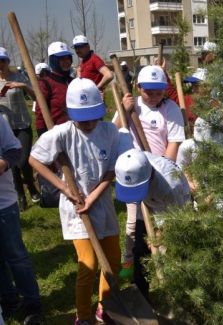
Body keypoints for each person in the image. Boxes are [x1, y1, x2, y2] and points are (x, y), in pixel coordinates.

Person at [29, 78, 122, 324]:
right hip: (77, 208)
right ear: (72, 113)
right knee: (89, 263)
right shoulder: (61, 133)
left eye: (94, 116)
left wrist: (93, 196)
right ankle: (82, 314)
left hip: (101, 202)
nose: (90, 123)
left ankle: (106, 306)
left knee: (113, 260)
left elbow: (112, 170)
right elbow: (35, 160)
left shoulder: (109, 131)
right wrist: (64, 189)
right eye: (84, 118)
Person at [113, 65, 185, 280]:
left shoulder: (170, 108)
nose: (153, 96)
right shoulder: (130, 105)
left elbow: (174, 142)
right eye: (148, 92)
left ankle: (166, 265)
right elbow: (112, 132)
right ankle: (132, 259)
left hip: (159, 173)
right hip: (134, 173)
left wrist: (163, 171)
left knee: (163, 222)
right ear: (138, 87)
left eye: (158, 92)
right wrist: (123, 112)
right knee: (134, 222)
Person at [115, 148, 191, 299]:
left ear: (149, 177)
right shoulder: (131, 166)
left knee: (176, 253)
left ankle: (183, 294)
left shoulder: (171, 185)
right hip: (146, 202)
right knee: (139, 250)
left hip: (174, 209)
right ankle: (140, 297)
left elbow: (177, 219)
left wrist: (158, 235)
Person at [0, 117, 43, 325]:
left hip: (3, 204)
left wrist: (2, 163)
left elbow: (15, 150)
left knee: (16, 255)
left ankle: (32, 302)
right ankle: (8, 300)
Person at [0, 47, 41, 211]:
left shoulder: (18, 76)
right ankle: (21, 196)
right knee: (14, 164)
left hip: (23, 124)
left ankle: (31, 187)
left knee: (22, 161)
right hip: (6, 128)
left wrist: (23, 86)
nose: (0, 64)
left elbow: (35, 96)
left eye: (3, 61)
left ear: (8, 62)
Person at [34, 41, 74, 136]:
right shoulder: (46, 83)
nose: (66, 61)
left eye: (68, 58)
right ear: (54, 60)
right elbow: (40, 113)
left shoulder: (73, 82)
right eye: (61, 59)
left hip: (75, 132)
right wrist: (43, 134)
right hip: (56, 133)